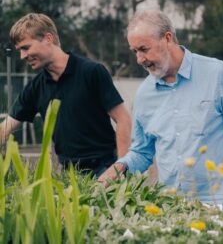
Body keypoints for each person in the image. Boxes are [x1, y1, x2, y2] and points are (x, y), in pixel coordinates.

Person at [98, 10, 223, 211]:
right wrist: (120, 167)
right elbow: (142, 151)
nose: (139, 59)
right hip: (170, 206)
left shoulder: (218, 74)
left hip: (221, 204)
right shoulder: (144, 94)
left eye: (144, 49)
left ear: (167, 38)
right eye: (135, 51)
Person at [0, 13, 132, 176]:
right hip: (70, 175)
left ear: (48, 39)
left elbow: (123, 119)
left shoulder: (91, 72)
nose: (23, 56)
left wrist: (121, 167)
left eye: (26, 47)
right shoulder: (35, 87)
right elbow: (5, 128)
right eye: (20, 50)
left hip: (105, 167)